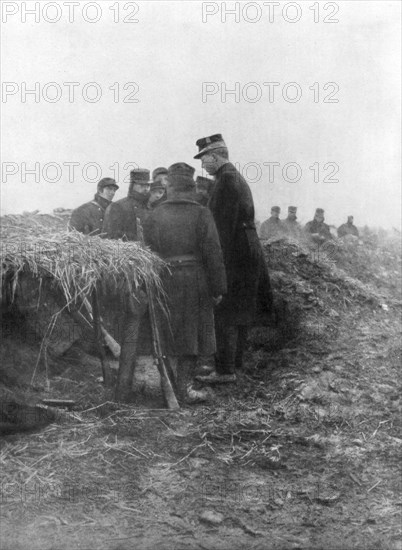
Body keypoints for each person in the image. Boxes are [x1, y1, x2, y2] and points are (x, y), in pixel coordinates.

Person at [143, 162, 227, 403]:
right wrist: (218, 287)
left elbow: (147, 251)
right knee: (192, 334)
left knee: (167, 333)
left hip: (163, 279)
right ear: (190, 187)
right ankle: (183, 387)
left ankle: (167, 385)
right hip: (195, 280)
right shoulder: (202, 213)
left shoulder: (155, 214)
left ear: (170, 187)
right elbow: (213, 252)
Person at [193, 133, 273, 384]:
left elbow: (220, 229)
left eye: (204, 159)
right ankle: (234, 364)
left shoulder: (225, 182)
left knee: (225, 309)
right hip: (247, 250)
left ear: (215, 156)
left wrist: (215, 265)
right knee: (240, 310)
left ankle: (225, 371)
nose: (202, 165)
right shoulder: (234, 178)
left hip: (235, 252)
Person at [102, 169, 151, 240]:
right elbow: (109, 238)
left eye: (147, 185)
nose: (146, 189)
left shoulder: (150, 208)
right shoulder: (118, 207)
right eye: (141, 185)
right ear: (132, 185)